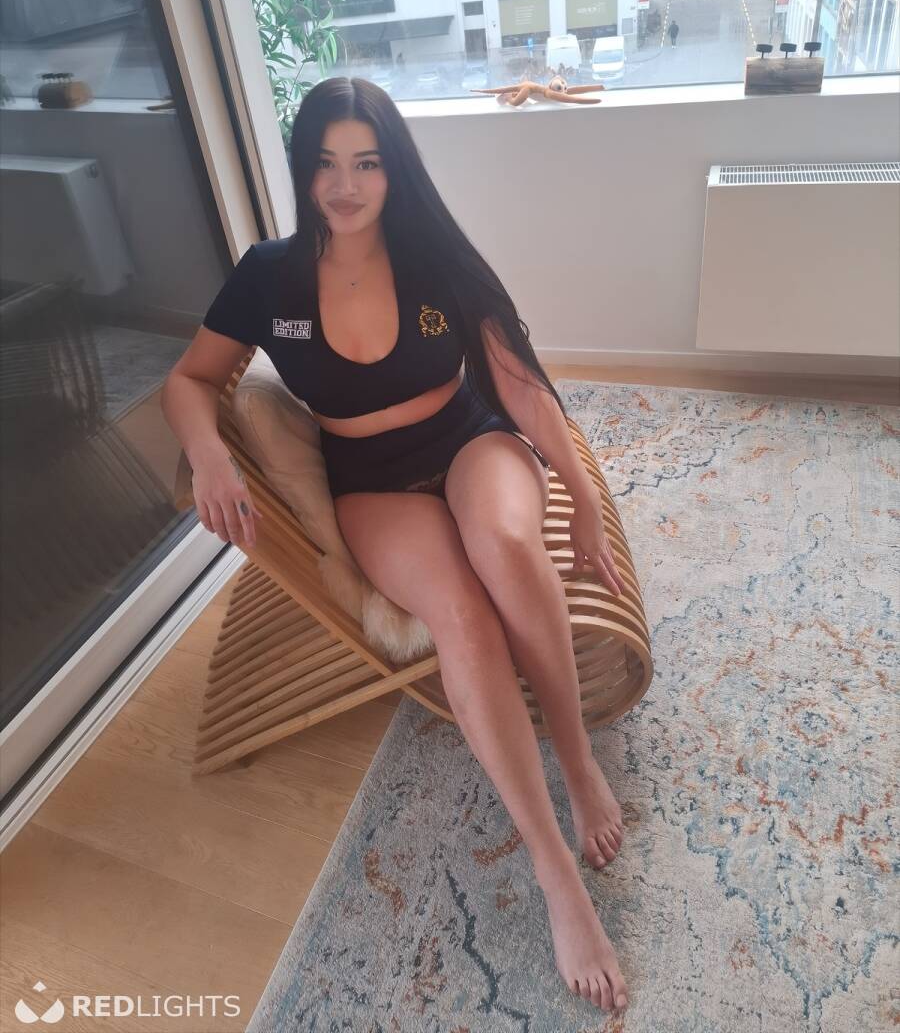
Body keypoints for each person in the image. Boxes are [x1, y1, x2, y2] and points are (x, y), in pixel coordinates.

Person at [161, 77, 630, 1014]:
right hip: (370, 479)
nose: (346, 185)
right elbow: (190, 378)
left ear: (394, 170)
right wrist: (209, 454)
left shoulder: (433, 254)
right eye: (326, 163)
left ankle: (577, 762)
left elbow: (520, 384)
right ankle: (553, 870)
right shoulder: (269, 277)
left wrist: (580, 498)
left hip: (469, 440)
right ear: (304, 170)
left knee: (505, 544)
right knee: (460, 615)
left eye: (367, 163)